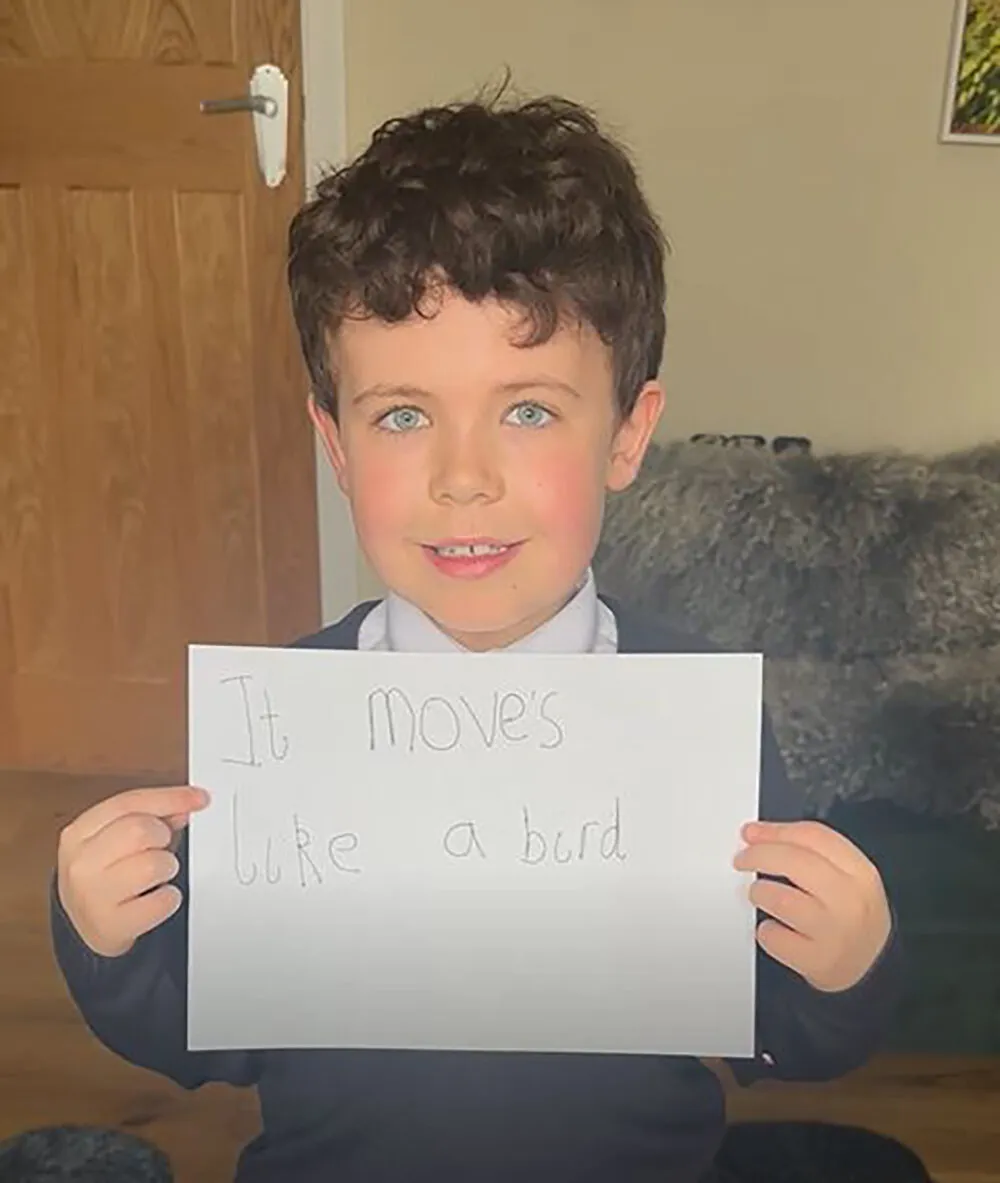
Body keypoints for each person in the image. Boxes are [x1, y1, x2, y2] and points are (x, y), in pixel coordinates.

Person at [50, 88, 903, 1183]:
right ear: (338, 444)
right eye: (402, 414)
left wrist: (845, 966)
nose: (462, 478)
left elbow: (782, 1034)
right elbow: (205, 1038)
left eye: (530, 409)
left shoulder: (697, 718)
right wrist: (110, 941)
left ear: (628, 434)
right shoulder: (279, 725)